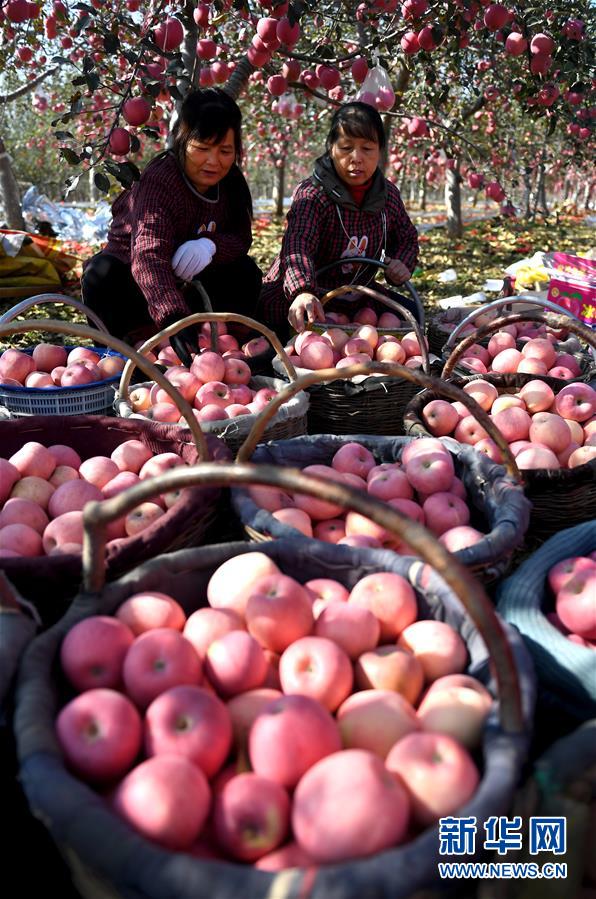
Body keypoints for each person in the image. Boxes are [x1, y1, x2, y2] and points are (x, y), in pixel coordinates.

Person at [82, 88, 262, 366]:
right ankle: (125, 353)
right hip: (136, 288)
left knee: (245, 272)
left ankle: (231, 344)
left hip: (192, 288)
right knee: (100, 273)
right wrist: (172, 316)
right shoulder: (161, 180)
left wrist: (211, 245)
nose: (213, 161)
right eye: (202, 148)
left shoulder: (231, 184)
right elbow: (147, 255)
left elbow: (240, 236)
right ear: (182, 141)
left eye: (225, 151)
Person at [257, 101, 420, 341]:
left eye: (367, 148)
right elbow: (298, 244)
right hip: (309, 294)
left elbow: (407, 237)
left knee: (412, 316)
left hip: (357, 296)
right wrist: (302, 290)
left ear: (380, 151)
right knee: (283, 328)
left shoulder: (387, 196)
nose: (356, 158)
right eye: (346, 148)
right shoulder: (313, 194)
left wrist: (401, 264)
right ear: (331, 148)